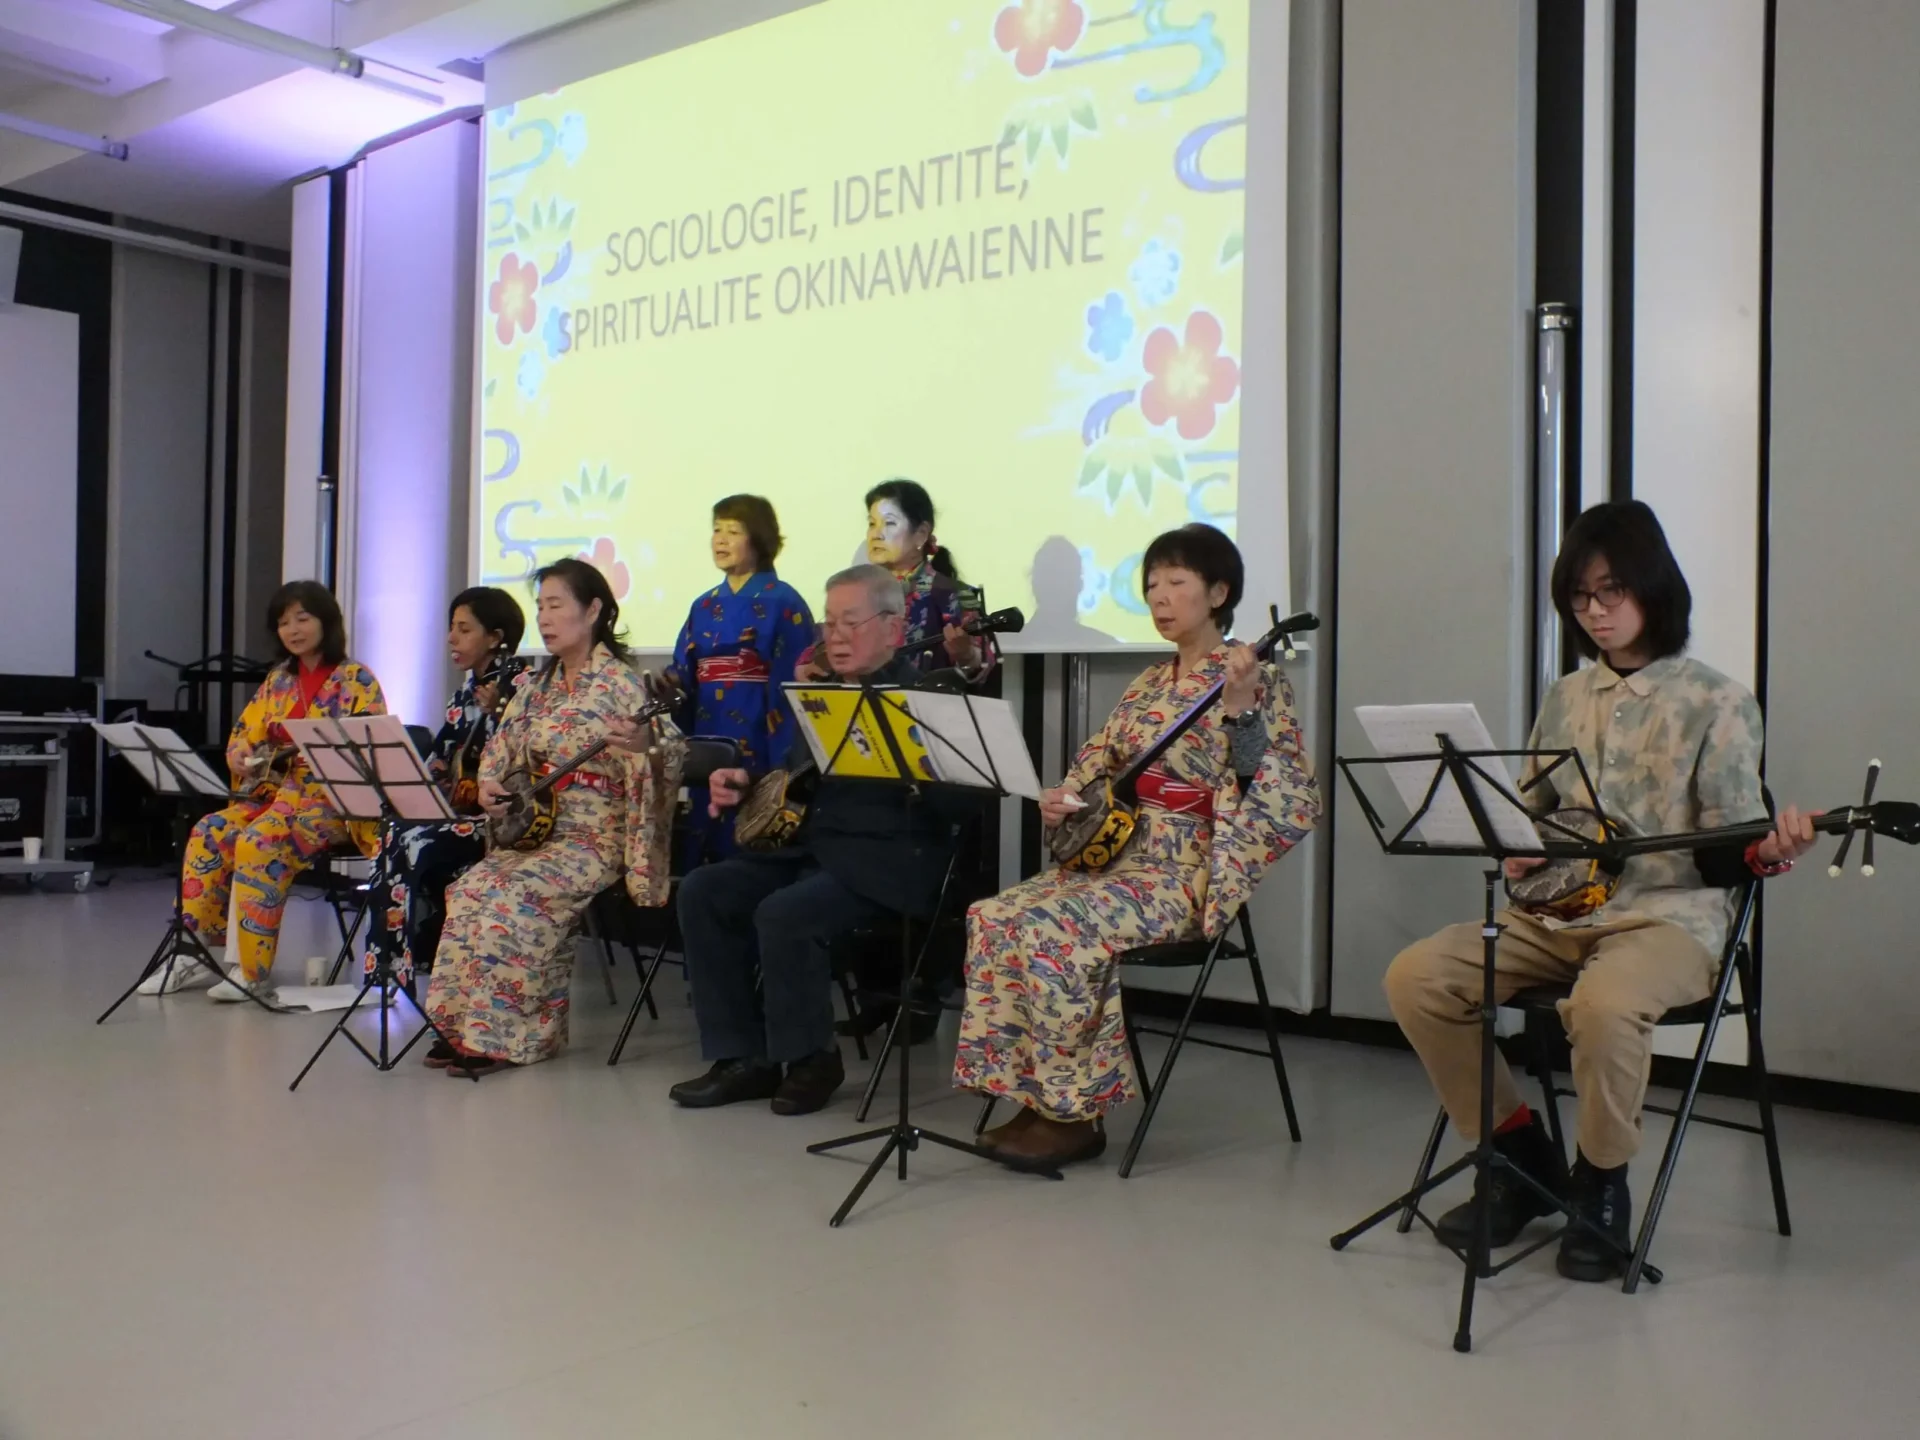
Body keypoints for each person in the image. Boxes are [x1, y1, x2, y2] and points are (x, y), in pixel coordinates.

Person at [1382, 500, 1817, 1281]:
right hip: (1559, 911)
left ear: (1654, 587)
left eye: (1611, 590)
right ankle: (1519, 1154)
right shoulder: (1567, 697)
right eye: (1580, 597)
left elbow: (1729, 852)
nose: (1595, 611)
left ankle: (1602, 1183)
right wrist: (1517, 847)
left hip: (1668, 920)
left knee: (1605, 1006)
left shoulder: (1717, 701)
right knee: (1417, 977)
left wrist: (1769, 851)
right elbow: (1534, 811)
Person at [952, 523, 1320, 1170]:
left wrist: (1238, 711)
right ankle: (1032, 1095)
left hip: (1181, 870)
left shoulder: (1256, 681)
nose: (1159, 596)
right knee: (994, 916)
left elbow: (1275, 790)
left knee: (1054, 927)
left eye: (1177, 582)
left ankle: (1074, 1115)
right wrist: (1065, 793)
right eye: (1151, 584)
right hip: (1114, 857)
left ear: (1218, 592)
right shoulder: (1150, 682)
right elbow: (1101, 758)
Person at [668, 564, 984, 1116]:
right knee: (704, 890)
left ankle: (812, 1058)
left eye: (850, 623)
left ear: (893, 627)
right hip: (813, 851)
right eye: (829, 623)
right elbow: (793, 786)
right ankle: (744, 1058)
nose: (834, 636)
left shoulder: (931, 696)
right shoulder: (823, 697)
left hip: (889, 861)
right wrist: (746, 786)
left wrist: (914, 769)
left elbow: (969, 807)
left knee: (785, 913)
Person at [424, 559, 683, 1076]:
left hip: (593, 835)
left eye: (556, 604)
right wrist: (494, 784)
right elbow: (501, 750)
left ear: (593, 611)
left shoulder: (621, 685)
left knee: (516, 895)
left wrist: (643, 744)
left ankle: (517, 1037)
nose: (543, 617)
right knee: (471, 888)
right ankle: (461, 1027)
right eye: (540, 606)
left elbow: (670, 750)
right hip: (537, 832)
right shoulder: (536, 688)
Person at [144, 581, 387, 1005]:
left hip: (330, 806)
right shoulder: (279, 680)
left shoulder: (357, 680)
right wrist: (239, 755)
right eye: (283, 622)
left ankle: (250, 970)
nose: (293, 629)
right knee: (210, 830)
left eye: (303, 618)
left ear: (326, 622)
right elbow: (244, 734)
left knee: (259, 841)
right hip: (272, 799)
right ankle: (194, 951)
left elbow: (370, 751)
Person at [662, 495, 814, 864]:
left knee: (751, 836)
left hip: (759, 729)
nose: (721, 540)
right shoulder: (702, 605)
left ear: (759, 538)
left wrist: (781, 761)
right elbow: (686, 669)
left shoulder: (784, 602)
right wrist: (671, 688)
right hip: (709, 726)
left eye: (733, 531)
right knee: (704, 827)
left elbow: (792, 684)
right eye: (716, 530)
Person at [398, 586, 532, 980]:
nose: (451, 639)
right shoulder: (464, 692)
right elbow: (440, 759)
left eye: (464, 629)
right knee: (395, 830)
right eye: (451, 628)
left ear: (495, 637)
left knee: (411, 841)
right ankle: (400, 960)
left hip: (501, 821)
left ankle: (413, 958)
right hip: (460, 815)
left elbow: (525, 761)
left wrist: (500, 713)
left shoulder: (525, 686)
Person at [799, 479, 991, 682]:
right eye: (872, 523)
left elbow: (980, 669)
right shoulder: (855, 591)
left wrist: (966, 655)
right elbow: (817, 652)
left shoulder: (952, 595)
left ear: (921, 534)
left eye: (889, 523)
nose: (876, 534)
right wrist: (811, 665)